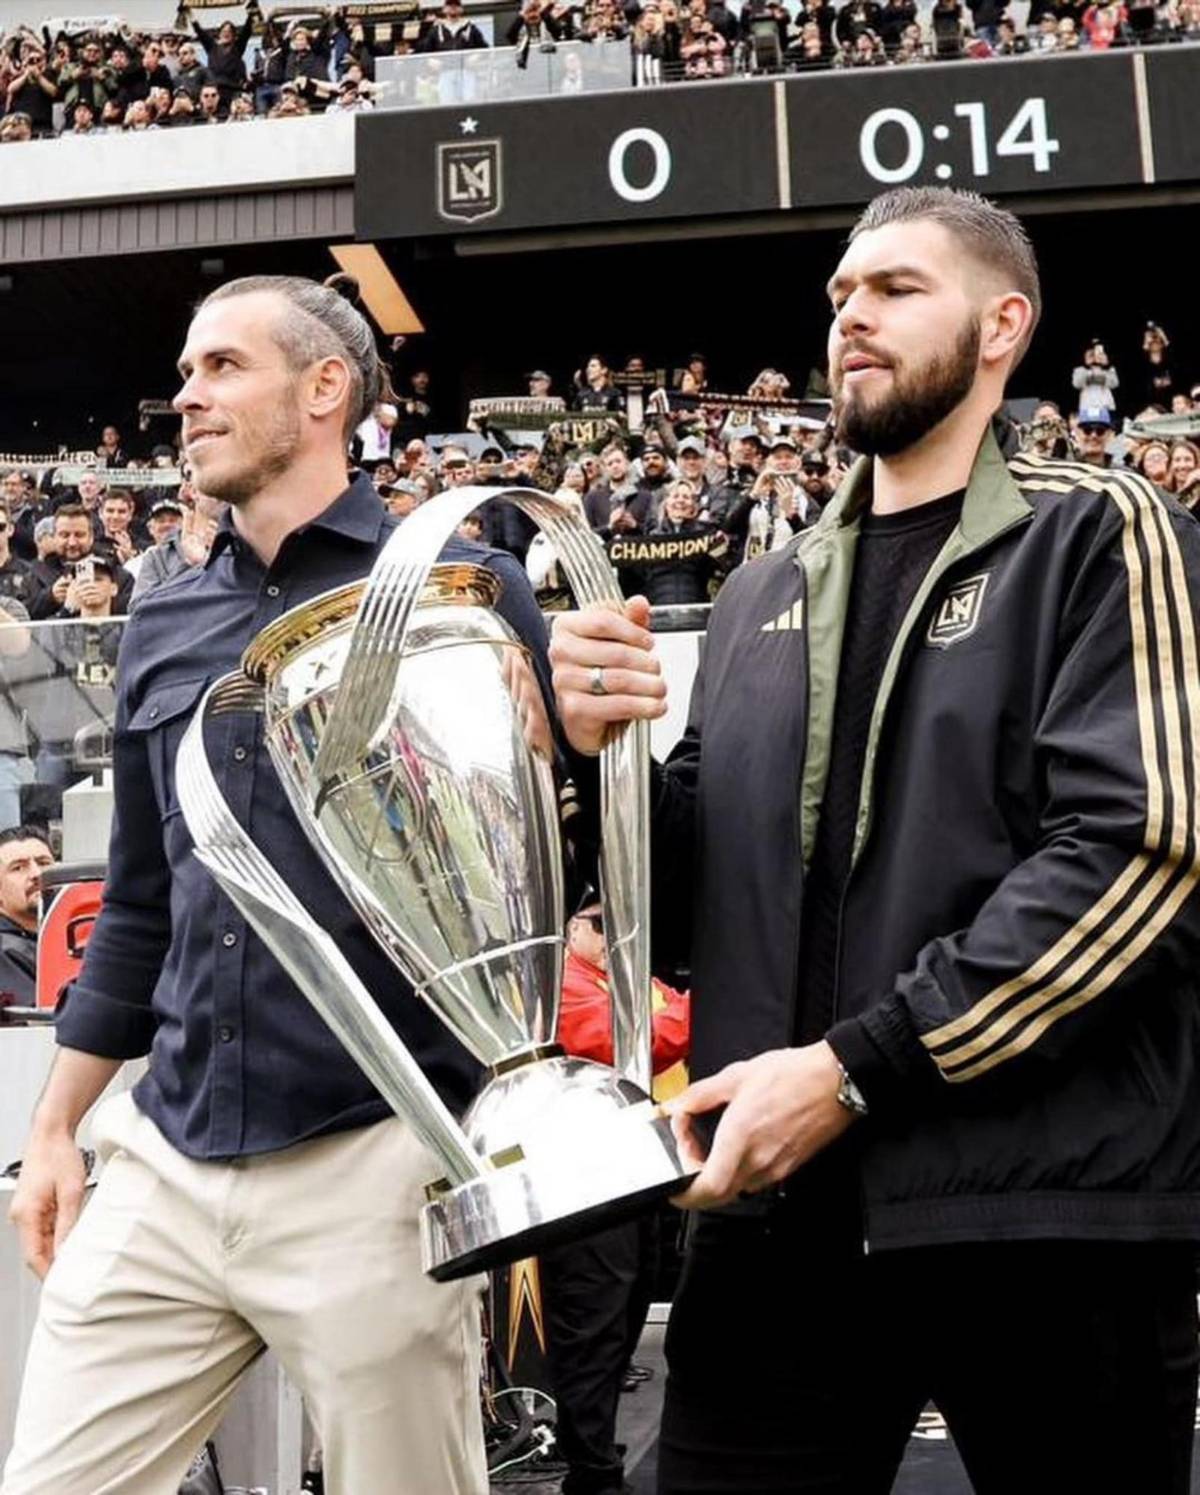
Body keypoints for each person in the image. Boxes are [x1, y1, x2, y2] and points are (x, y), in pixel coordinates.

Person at [550, 186, 1200, 1494]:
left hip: (1042, 1212)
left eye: (897, 288)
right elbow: (692, 901)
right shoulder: (757, 590)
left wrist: (854, 1069)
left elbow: (1141, 855)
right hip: (773, 1215)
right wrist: (590, 754)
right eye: (841, 294)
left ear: (1004, 323)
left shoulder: (1102, 527)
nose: (852, 315)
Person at [3, 273, 550, 1495]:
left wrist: (591, 734)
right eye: (188, 372)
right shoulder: (160, 618)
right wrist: (54, 1128)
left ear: (324, 390)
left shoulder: (465, 586)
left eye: (220, 367)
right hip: (167, 1157)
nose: (186, 398)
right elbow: (141, 908)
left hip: (378, 1160)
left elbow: (540, 878)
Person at [541, 899, 689, 1495]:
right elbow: (635, 1038)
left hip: (636, 1165)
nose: (611, 934)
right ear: (572, 927)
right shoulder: (565, 984)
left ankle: (595, 1455)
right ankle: (592, 1470)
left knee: (623, 1314)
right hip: (584, 1170)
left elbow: (666, 1022)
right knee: (593, 1321)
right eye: (598, 923)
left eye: (617, 922)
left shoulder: (621, 979)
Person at [0, 825, 53, 1006]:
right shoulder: (4, 952)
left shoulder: (80, 935)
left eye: (44, 863)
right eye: (18, 868)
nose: (37, 874)